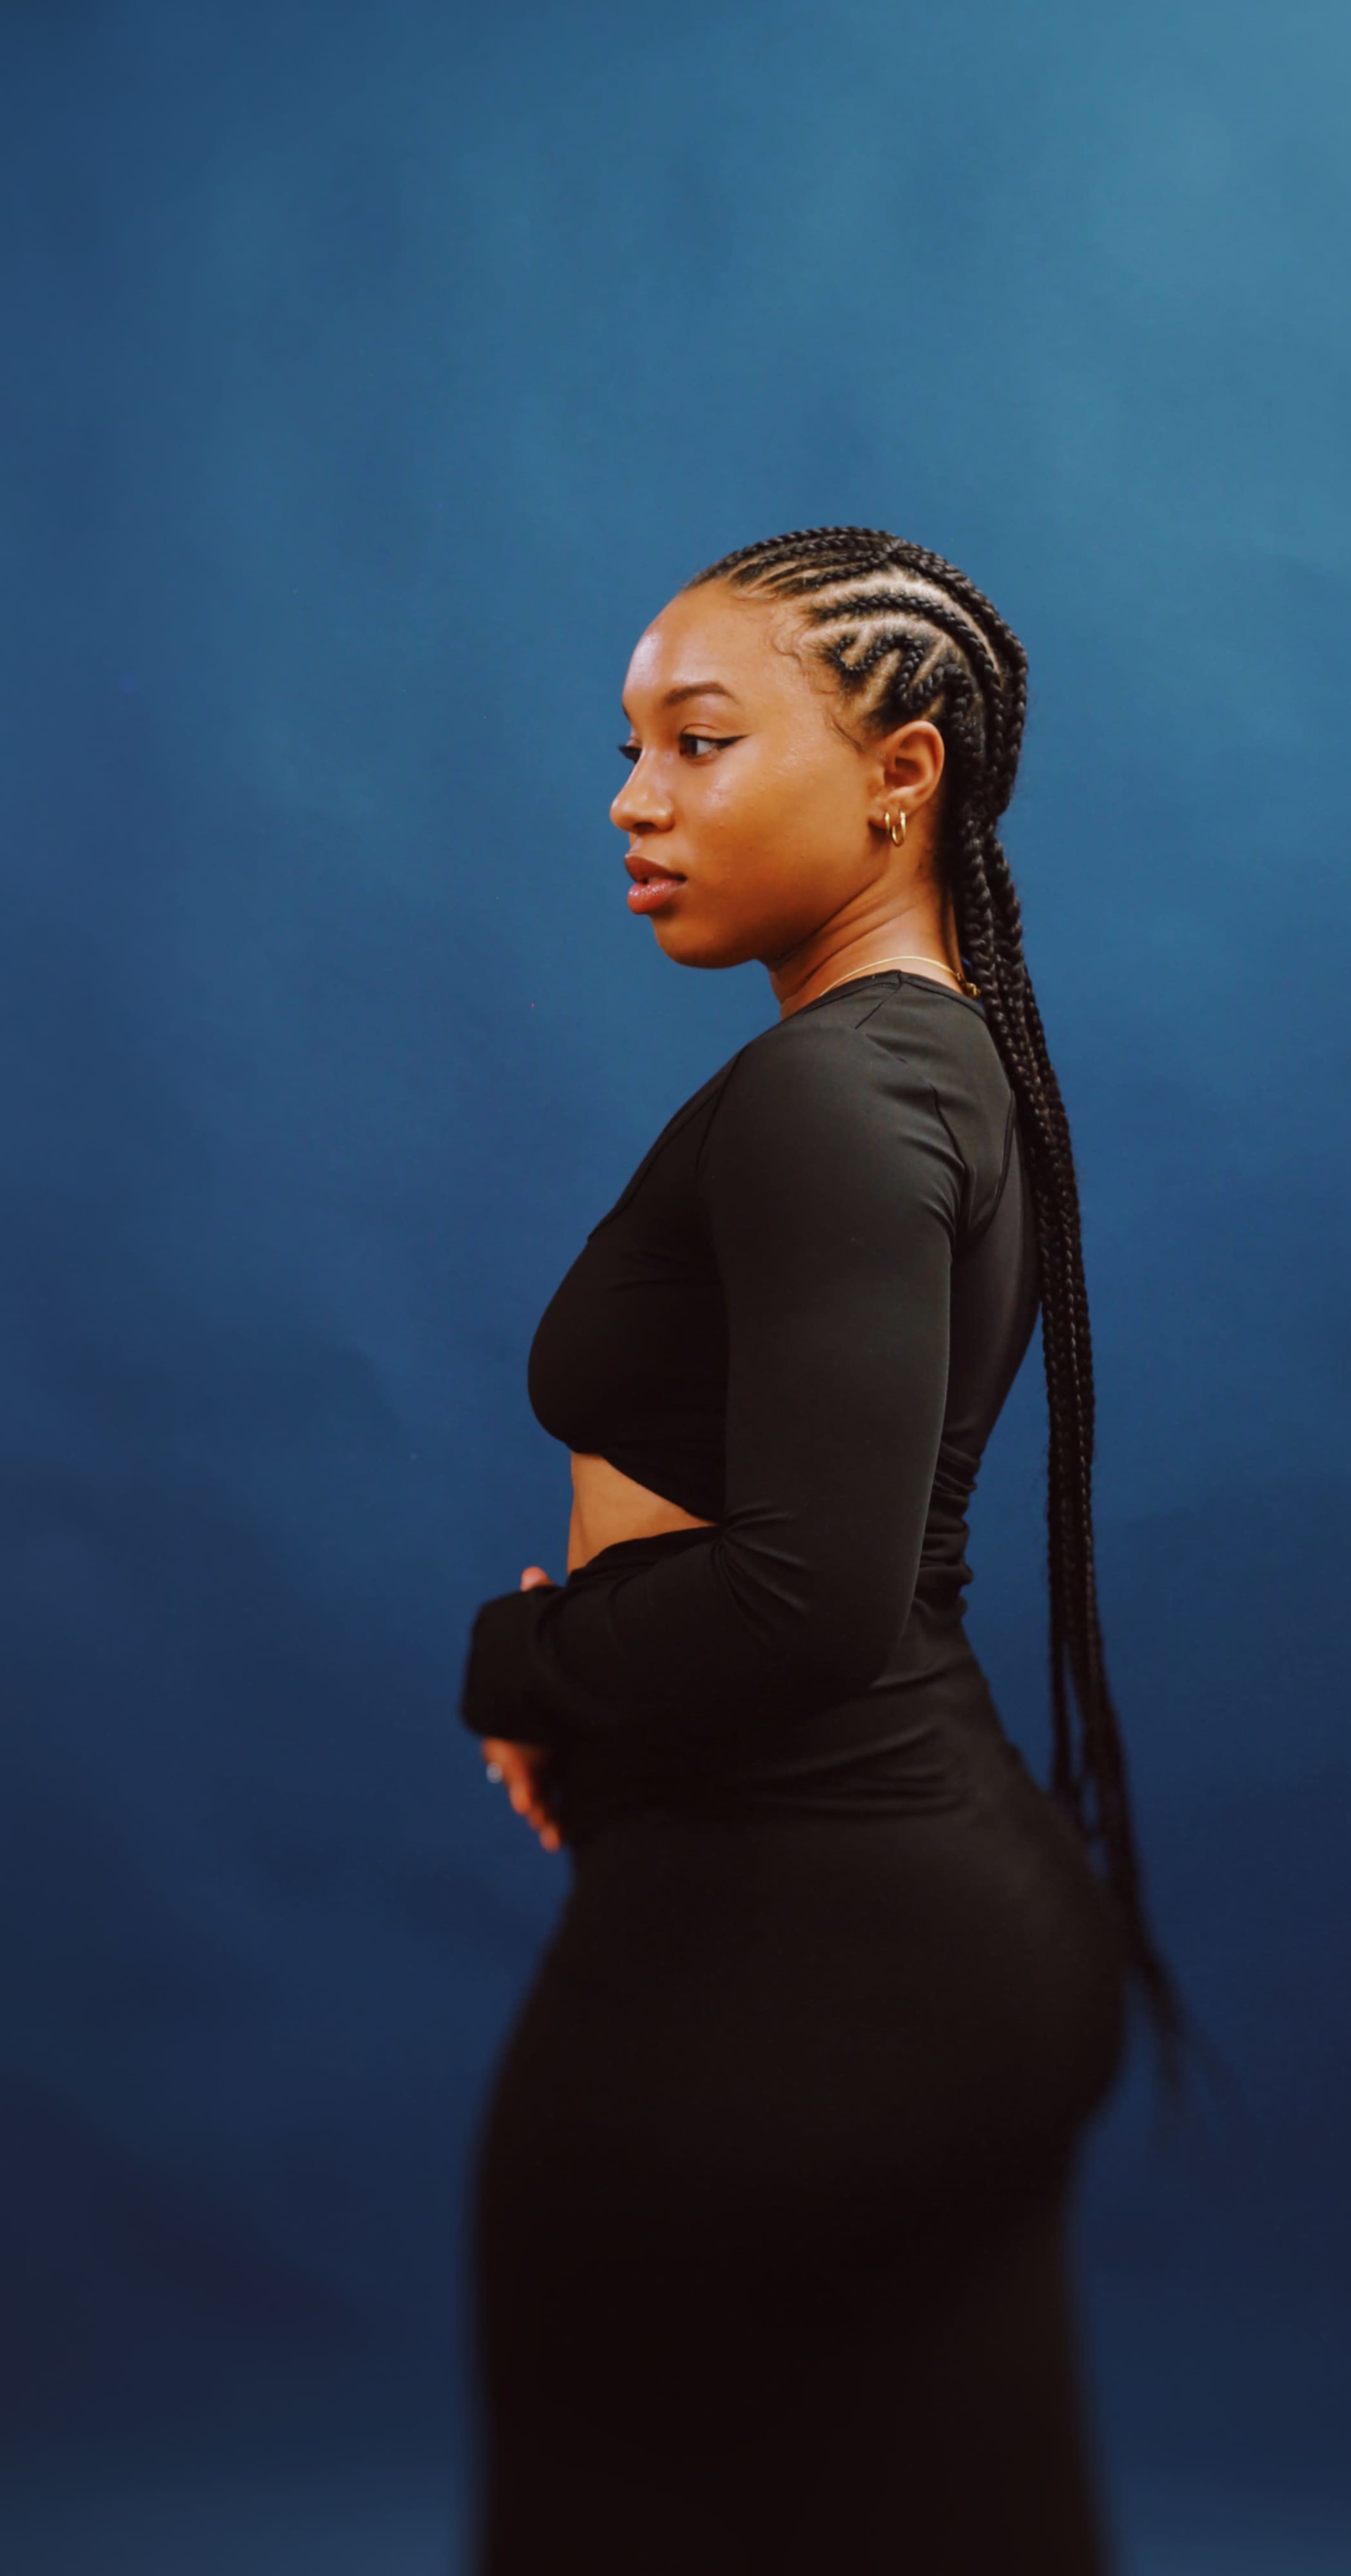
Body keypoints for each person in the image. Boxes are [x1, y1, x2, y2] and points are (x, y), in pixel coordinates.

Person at [457, 526, 1186, 2574]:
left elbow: (810, 1596)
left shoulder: (833, 1097)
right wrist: (610, 1690)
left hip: (811, 1974)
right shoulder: (945, 1069)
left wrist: (523, 1665)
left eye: (698, 741)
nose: (633, 798)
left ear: (904, 774)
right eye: (627, 747)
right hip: (889, 1939)